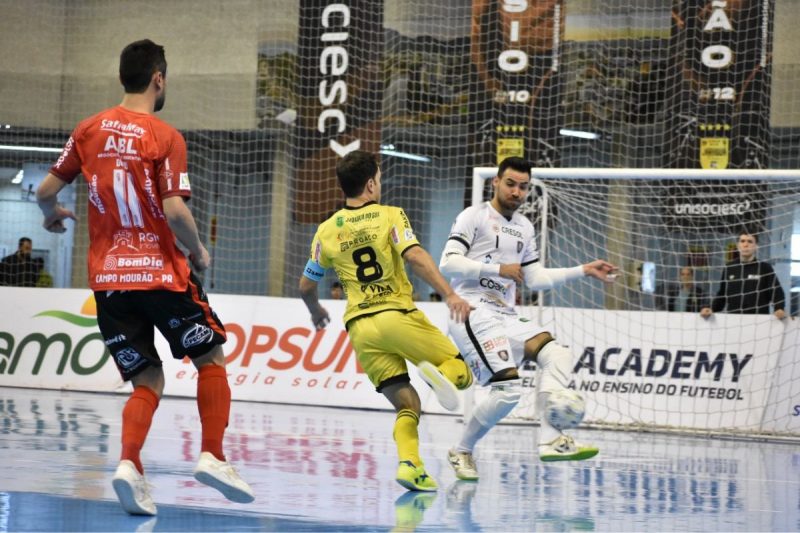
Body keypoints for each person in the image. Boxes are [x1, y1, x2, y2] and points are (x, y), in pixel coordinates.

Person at [35, 39, 253, 516]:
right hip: (160, 277)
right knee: (210, 357)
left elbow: (46, 190)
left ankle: (129, 465)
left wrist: (51, 215)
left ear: (122, 77)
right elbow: (175, 210)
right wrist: (197, 250)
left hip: (110, 284)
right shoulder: (165, 136)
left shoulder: (88, 129)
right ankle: (213, 456)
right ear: (158, 78)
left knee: (147, 379)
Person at [299, 150, 473, 492]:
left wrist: (316, 311)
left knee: (407, 405)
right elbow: (415, 256)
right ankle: (441, 375)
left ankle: (410, 466)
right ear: (370, 184)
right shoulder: (390, 215)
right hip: (395, 315)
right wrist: (450, 294)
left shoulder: (326, 231)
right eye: (378, 179)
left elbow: (305, 285)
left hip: (361, 329)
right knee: (462, 373)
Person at [439, 157, 617, 481]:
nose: (517, 192)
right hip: (471, 309)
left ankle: (551, 440)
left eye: (523, 187)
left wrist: (583, 270)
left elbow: (534, 279)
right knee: (508, 391)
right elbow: (448, 263)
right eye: (510, 184)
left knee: (557, 354)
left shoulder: (524, 227)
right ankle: (462, 450)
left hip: (504, 313)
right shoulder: (473, 216)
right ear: (496, 182)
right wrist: (497, 269)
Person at [700, 232, 786, 319]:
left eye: (750, 241)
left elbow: (777, 292)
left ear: (756, 246)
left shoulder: (765, 268)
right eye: (742, 241)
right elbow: (722, 294)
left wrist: (779, 308)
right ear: (738, 245)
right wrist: (711, 308)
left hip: (759, 320)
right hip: (734, 319)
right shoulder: (730, 267)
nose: (746, 245)